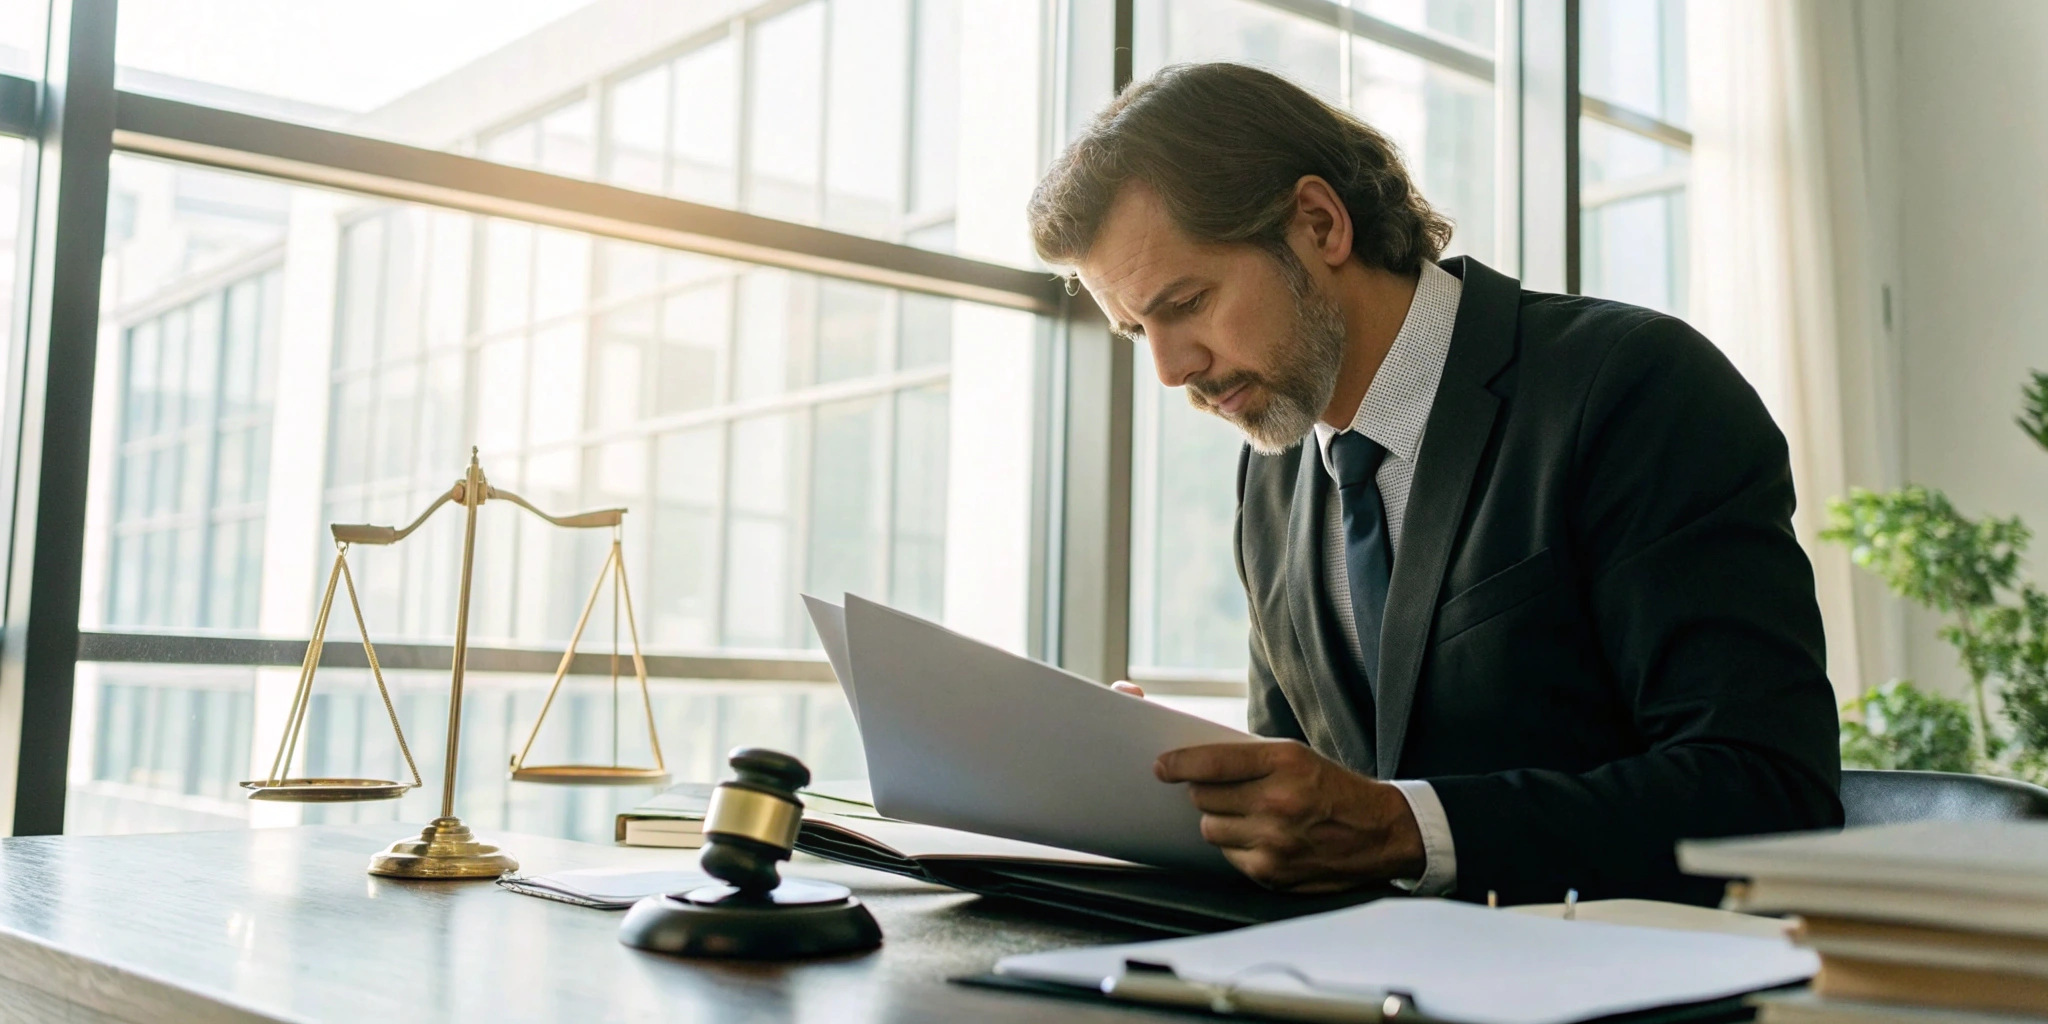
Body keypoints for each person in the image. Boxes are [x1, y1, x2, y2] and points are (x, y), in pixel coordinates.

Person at [1027, 62, 1841, 906]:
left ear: (1318, 222)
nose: (1168, 368)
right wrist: (1156, 779)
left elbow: (1768, 795)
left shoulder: (1633, 387)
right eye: (1135, 330)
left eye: (1188, 301)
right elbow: (1315, 802)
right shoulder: (1270, 483)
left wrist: (1401, 829)